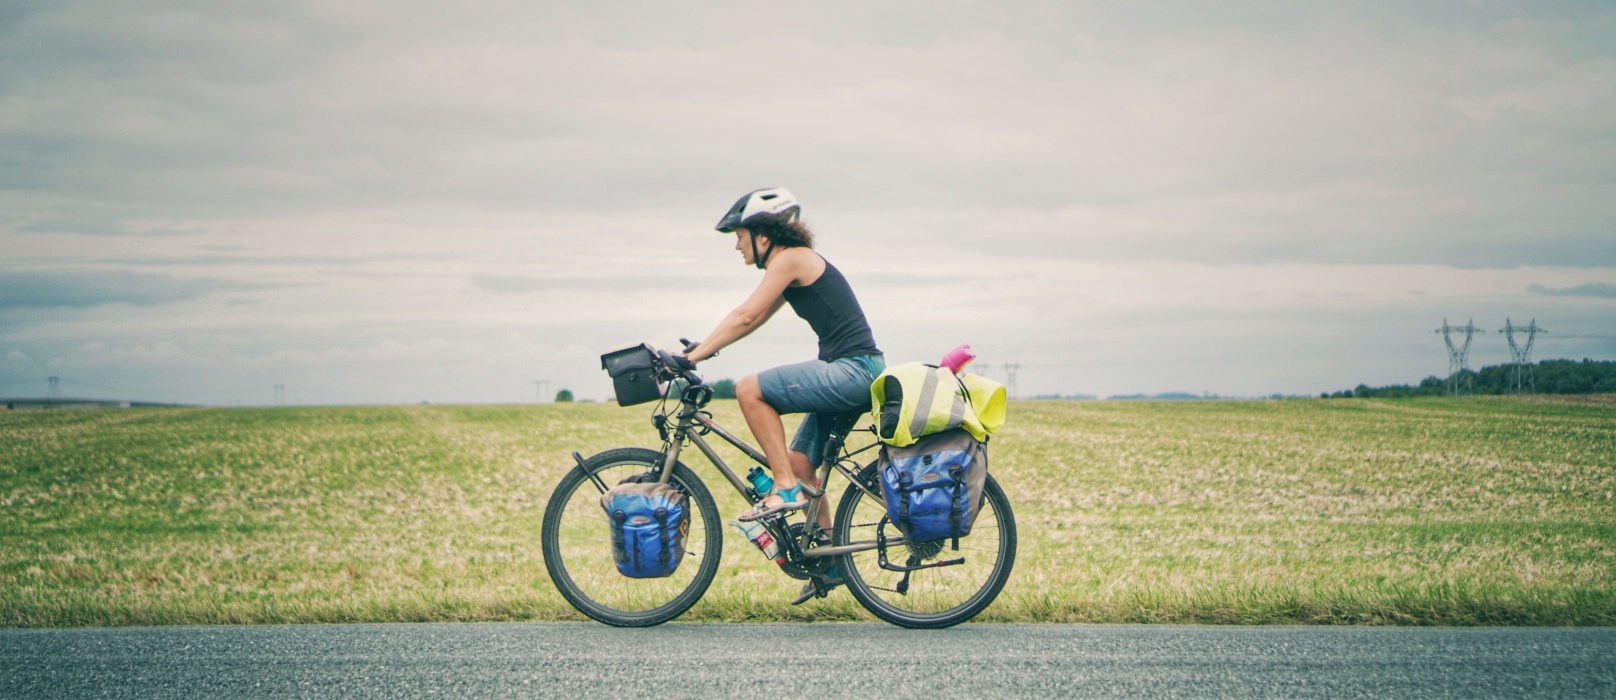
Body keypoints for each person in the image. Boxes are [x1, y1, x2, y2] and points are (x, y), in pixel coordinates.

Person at [679, 187, 885, 604]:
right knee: (802, 466)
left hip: (854, 371)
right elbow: (749, 320)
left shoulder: (791, 258)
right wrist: (699, 350)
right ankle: (830, 561)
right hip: (858, 371)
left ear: (764, 234)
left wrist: (692, 358)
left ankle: (784, 489)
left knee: (749, 389)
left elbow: (746, 314)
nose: (736, 245)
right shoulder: (791, 265)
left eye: (739, 236)